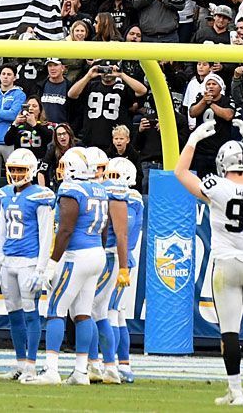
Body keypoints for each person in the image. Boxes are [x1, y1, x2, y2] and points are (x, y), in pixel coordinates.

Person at [174, 118, 243, 406]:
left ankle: (237, 391)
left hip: (228, 264)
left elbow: (181, 172)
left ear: (224, 163)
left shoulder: (218, 187)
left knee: (230, 331)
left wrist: (194, 139)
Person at [22, 144, 114, 387]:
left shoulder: (71, 188)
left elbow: (65, 230)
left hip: (77, 254)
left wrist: (52, 263)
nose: (60, 170)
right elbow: (104, 229)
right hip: (96, 252)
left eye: (64, 165)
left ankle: (51, 369)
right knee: (82, 313)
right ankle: (81, 371)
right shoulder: (99, 189)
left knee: (55, 309)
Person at [0, 147, 53, 381]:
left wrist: (41, 268)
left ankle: (31, 365)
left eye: (20, 170)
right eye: (13, 170)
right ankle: (20, 363)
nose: (16, 174)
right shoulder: (6, 194)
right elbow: (0, 230)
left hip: (29, 262)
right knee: (14, 314)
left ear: (30, 170)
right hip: (8, 260)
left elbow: (46, 234)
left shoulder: (41, 195)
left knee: (30, 314)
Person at [91, 154, 144, 384]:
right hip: (125, 258)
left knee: (108, 313)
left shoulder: (125, 199)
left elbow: (119, 234)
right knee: (119, 314)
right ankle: (123, 364)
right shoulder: (136, 198)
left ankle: (109, 363)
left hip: (115, 258)